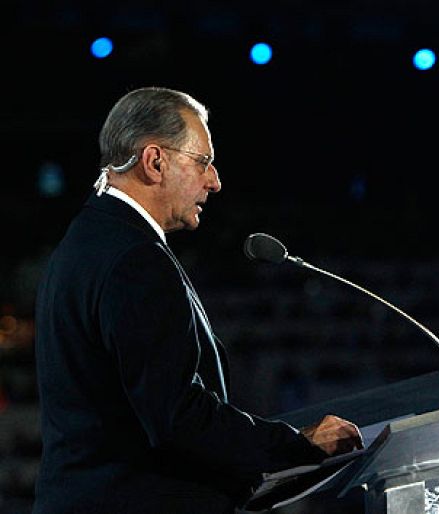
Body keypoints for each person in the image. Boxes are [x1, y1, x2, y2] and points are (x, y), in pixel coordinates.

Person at [33, 86, 363, 514]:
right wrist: (295, 445)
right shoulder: (134, 259)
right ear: (155, 161)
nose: (215, 181)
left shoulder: (87, 240)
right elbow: (178, 416)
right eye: (203, 162)